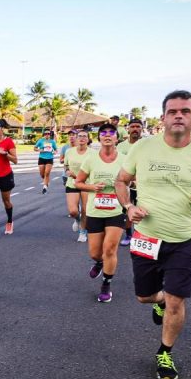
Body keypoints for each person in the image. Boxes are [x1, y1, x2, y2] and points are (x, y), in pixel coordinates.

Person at [115, 90, 191, 379]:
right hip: (146, 236)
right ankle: (159, 298)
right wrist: (128, 206)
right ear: (163, 117)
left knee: (178, 301)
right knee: (143, 296)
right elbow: (121, 181)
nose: (179, 115)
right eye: (173, 111)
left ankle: (164, 352)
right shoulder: (142, 148)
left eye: (185, 111)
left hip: (184, 240)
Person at [74, 123, 127, 303]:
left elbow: (134, 180)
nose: (107, 135)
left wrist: (131, 185)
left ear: (116, 138)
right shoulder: (90, 159)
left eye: (111, 132)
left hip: (116, 209)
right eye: (103, 133)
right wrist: (92, 186)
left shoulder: (125, 159)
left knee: (110, 249)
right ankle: (98, 262)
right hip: (95, 211)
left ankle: (106, 284)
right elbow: (78, 183)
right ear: (99, 138)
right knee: (95, 253)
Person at [64, 130, 94, 242]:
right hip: (72, 183)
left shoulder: (93, 153)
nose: (82, 138)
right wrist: (67, 171)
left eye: (84, 136)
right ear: (76, 138)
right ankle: (77, 219)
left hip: (86, 184)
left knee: (86, 210)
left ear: (88, 139)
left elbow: (94, 168)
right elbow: (66, 165)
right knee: (73, 211)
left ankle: (83, 231)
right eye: (79, 136)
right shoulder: (69, 151)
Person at [117, 118, 143, 246]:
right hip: (126, 184)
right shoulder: (121, 146)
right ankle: (128, 234)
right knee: (128, 209)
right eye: (132, 126)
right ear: (128, 129)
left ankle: (141, 235)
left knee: (143, 211)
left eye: (138, 126)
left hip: (143, 185)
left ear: (141, 129)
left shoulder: (147, 145)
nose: (135, 129)